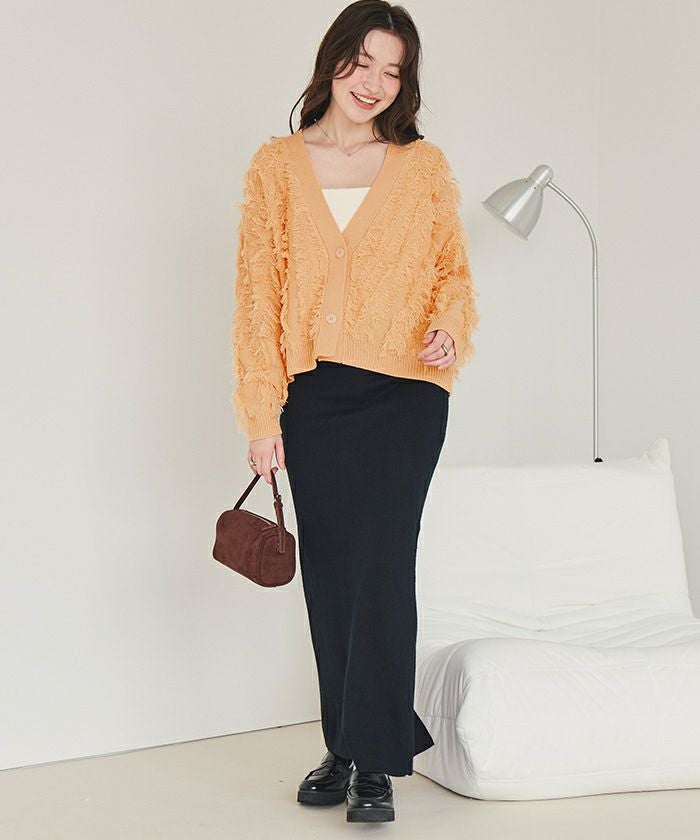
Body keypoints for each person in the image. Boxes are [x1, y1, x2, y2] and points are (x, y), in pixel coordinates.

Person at [231, 0, 479, 823]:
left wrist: (448, 327)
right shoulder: (277, 166)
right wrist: (261, 415)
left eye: (392, 71)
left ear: (405, 83)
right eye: (361, 61)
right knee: (334, 572)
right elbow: (257, 296)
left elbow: (453, 273)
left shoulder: (421, 166)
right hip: (315, 400)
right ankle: (345, 742)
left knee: (384, 567)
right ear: (332, 59)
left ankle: (373, 763)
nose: (373, 82)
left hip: (405, 394)